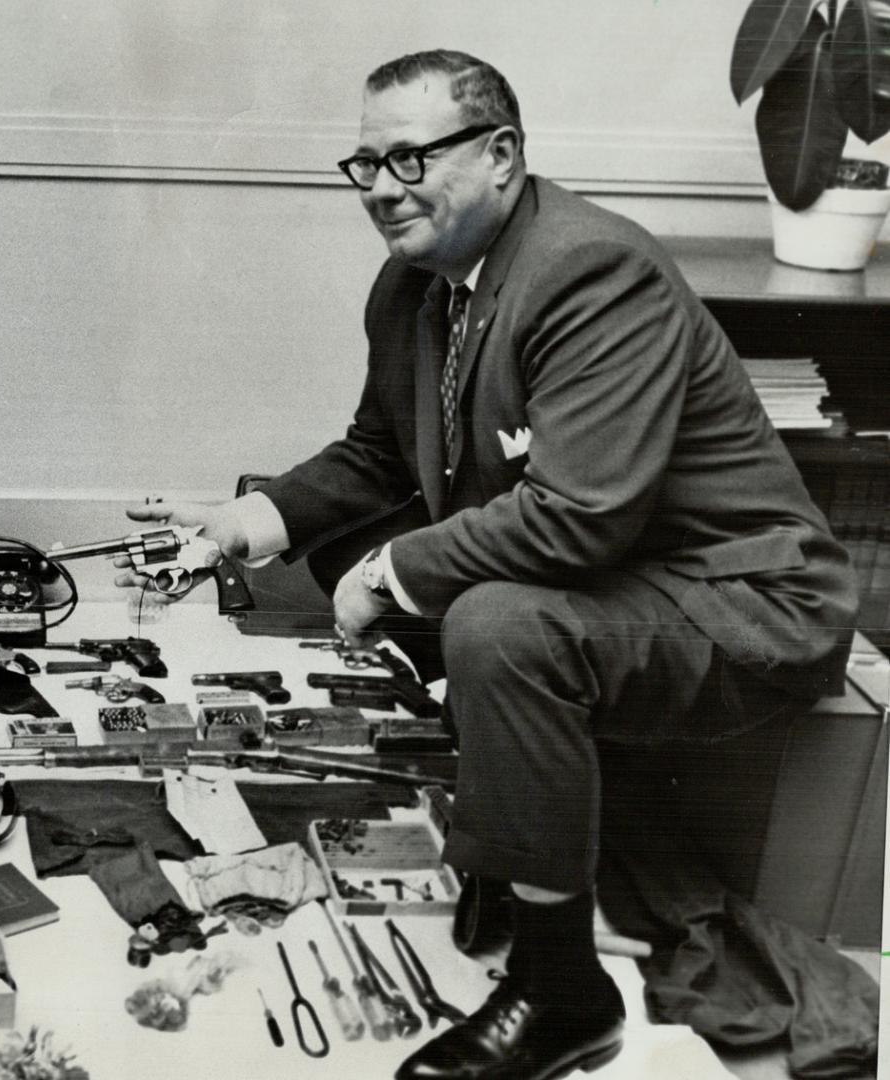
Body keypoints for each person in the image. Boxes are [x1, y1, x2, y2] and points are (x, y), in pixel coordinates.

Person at [121, 51, 855, 1080]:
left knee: (495, 622)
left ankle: (563, 995)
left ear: (502, 155)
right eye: (364, 163)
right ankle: (521, 834)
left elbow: (578, 517)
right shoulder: (415, 282)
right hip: (626, 582)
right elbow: (381, 454)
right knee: (408, 566)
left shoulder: (591, 271)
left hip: (739, 600)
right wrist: (249, 522)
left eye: (410, 157)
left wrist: (386, 575)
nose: (381, 187)